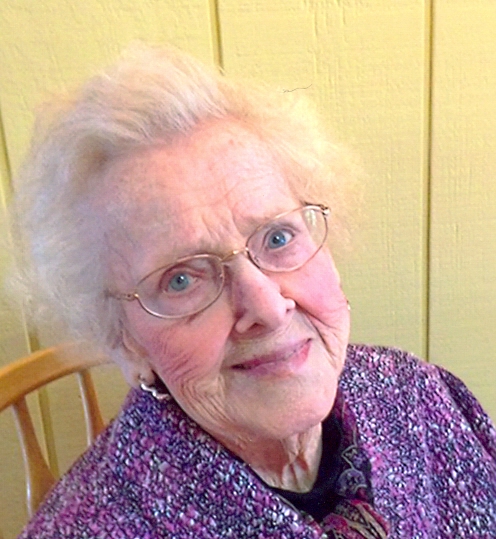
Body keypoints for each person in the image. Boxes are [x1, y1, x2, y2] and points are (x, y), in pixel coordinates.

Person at [10, 44, 496, 538]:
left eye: (277, 238)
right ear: (126, 341)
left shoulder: (416, 395)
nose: (267, 307)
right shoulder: (90, 527)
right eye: (182, 279)